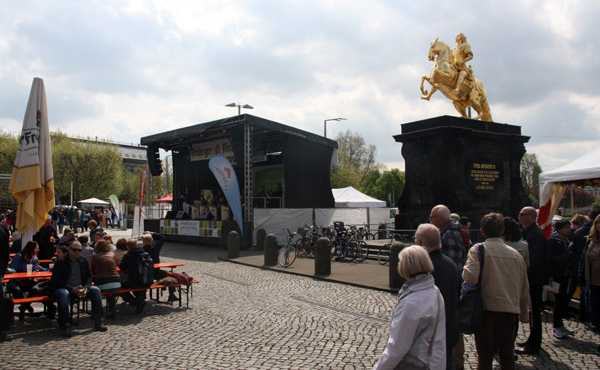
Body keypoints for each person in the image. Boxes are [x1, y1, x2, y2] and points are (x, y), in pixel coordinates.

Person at [463, 213, 530, 370]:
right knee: (507, 355)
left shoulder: (478, 250)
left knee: (485, 356)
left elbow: (470, 277)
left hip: (486, 310)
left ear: (482, 231)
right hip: (509, 312)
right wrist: (525, 314)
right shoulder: (516, 255)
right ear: (502, 231)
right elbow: (524, 286)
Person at [373, 245, 446, 369]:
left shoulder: (411, 302)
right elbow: (439, 337)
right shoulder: (434, 291)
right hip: (427, 362)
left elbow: (397, 347)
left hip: (410, 364)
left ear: (405, 267)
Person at [415, 224, 459, 370]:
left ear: (421, 243)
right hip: (449, 329)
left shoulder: (423, 268)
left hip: (429, 335)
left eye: (416, 241)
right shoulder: (451, 264)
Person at [430, 204, 467, 368]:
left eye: (432, 216)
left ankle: (456, 363)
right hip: (453, 288)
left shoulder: (449, 235)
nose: (430, 219)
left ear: (440, 218)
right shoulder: (449, 232)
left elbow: (452, 266)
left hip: (450, 290)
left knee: (452, 328)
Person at [49, 241, 106, 337]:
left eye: (79, 250)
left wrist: (85, 287)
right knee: (63, 294)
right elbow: (56, 281)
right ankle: (65, 326)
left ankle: (98, 322)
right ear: (69, 250)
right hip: (65, 288)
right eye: (74, 250)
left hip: (81, 288)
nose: (77, 252)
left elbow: (89, 277)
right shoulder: (61, 262)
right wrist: (72, 289)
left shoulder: (83, 261)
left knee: (96, 290)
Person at [516, 206, 546, 356]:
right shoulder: (528, 232)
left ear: (532, 216)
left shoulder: (535, 234)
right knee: (532, 312)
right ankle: (532, 340)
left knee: (534, 312)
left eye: (523, 214)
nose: (519, 216)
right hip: (531, 278)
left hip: (533, 280)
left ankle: (534, 344)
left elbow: (534, 259)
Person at [548, 219, 574, 339]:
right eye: (567, 227)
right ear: (560, 228)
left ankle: (560, 324)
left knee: (563, 300)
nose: (569, 229)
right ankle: (556, 327)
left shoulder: (565, 240)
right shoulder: (555, 240)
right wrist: (567, 254)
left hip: (565, 274)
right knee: (559, 301)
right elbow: (553, 259)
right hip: (557, 275)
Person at [9, 241, 47, 319]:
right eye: (37, 248)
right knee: (16, 290)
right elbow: (12, 269)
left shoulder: (34, 258)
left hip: (28, 281)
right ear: (31, 249)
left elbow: (37, 267)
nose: (38, 250)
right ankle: (25, 306)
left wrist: (47, 270)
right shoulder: (19, 256)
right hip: (17, 281)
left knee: (35, 289)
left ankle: (23, 307)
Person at [120, 239, 153, 314]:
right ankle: (140, 301)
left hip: (133, 281)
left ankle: (135, 302)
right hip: (146, 281)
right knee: (140, 288)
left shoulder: (128, 255)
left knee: (120, 287)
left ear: (128, 247)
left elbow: (122, 267)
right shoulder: (145, 253)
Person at [92, 240, 121, 319]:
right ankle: (111, 310)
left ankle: (99, 312)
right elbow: (118, 264)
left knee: (96, 290)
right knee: (111, 292)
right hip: (116, 282)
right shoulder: (112, 255)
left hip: (102, 282)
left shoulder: (95, 257)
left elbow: (92, 269)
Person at [585, 214, 600, 331]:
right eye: (598, 222)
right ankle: (595, 323)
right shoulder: (590, 240)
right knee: (594, 303)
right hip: (593, 279)